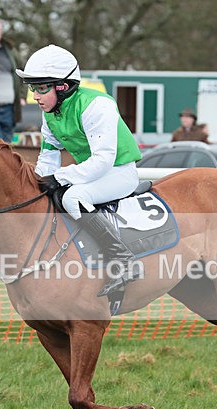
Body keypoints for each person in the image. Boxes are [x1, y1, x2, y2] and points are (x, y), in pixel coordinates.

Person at [16, 44, 143, 297]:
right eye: (33, 88)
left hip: (119, 172)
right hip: (92, 173)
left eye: (41, 88)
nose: (35, 96)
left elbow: (103, 161)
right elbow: (48, 157)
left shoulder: (96, 105)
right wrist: (38, 182)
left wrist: (59, 177)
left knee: (72, 197)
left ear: (63, 86)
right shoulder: (51, 112)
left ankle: (123, 259)